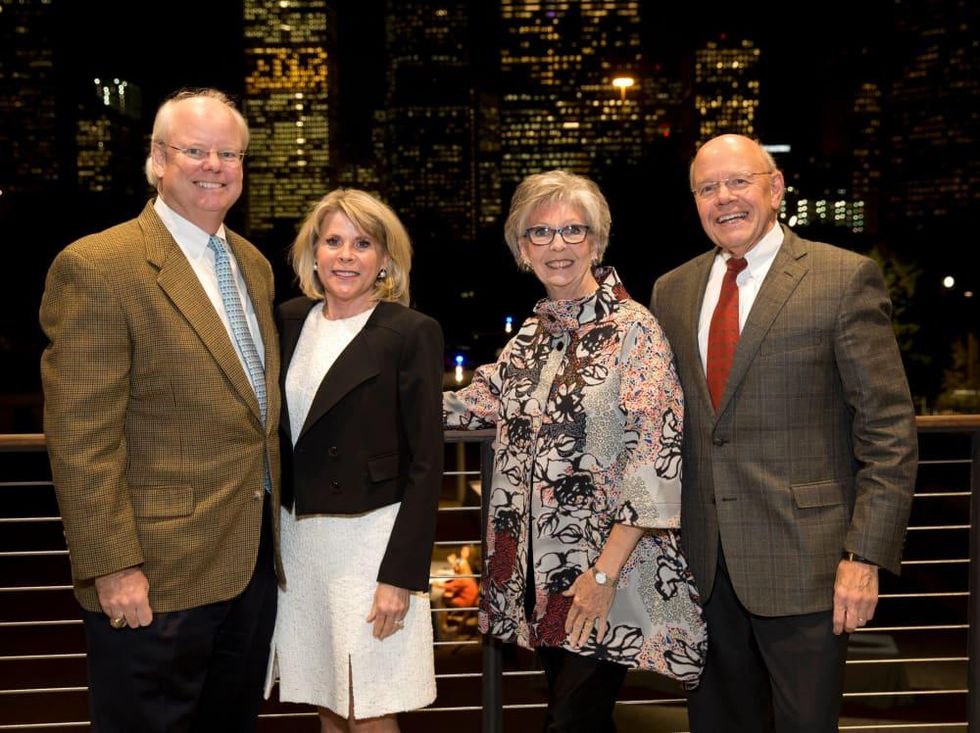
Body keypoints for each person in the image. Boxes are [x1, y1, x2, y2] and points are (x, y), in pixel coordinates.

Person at [649, 133, 918, 732]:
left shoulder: (842, 278)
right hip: (702, 566)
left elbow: (888, 431)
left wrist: (864, 554)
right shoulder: (673, 291)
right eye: (707, 188)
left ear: (774, 189)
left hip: (808, 565)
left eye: (738, 182)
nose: (724, 199)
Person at [39, 88, 281, 731]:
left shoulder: (253, 266)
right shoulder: (99, 265)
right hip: (153, 575)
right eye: (194, 150)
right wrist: (113, 565)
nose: (214, 165)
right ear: (157, 160)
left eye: (228, 153)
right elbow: (81, 435)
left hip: (249, 571)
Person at [444, 170, 707, 732]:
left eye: (572, 230)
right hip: (543, 574)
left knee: (571, 721)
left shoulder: (634, 329)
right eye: (540, 232)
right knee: (578, 719)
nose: (556, 245)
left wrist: (603, 576)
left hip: (604, 570)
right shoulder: (530, 340)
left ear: (596, 241)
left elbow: (654, 458)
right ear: (522, 248)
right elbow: (470, 404)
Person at [266, 188, 443, 732]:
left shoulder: (411, 332)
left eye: (362, 243)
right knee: (326, 699)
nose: (346, 255)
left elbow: (426, 463)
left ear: (385, 259)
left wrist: (401, 576)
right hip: (300, 541)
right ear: (313, 253)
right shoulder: (289, 320)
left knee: (367, 706)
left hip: (371, 545)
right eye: (334, 241)